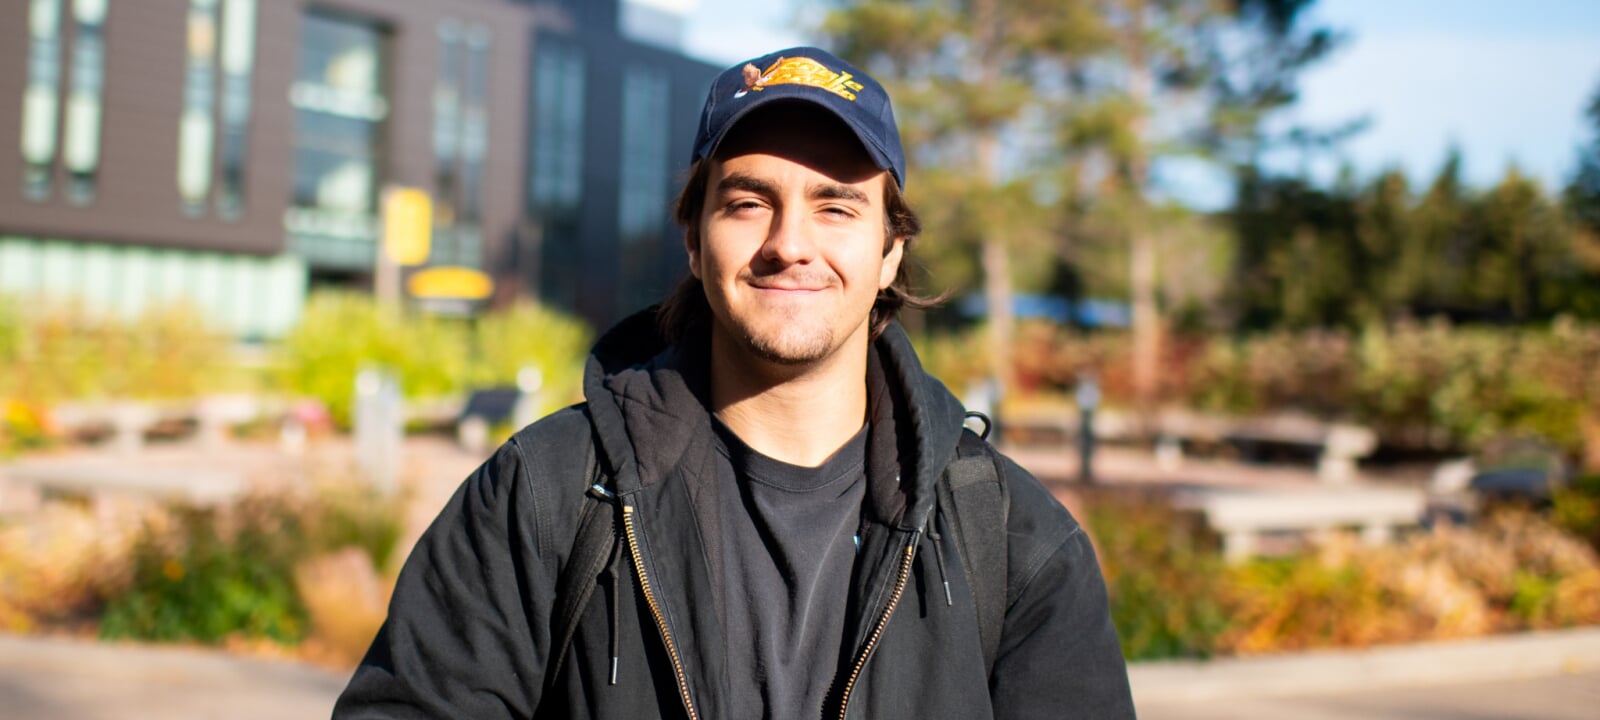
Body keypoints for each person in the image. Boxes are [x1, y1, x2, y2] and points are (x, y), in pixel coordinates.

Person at [334, 47, 1134, 719]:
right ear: (693, 237)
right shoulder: (544, 494)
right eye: (749, 202)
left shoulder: (1014, 542)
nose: (790, 243)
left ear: (889, 252)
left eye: (837, 208)